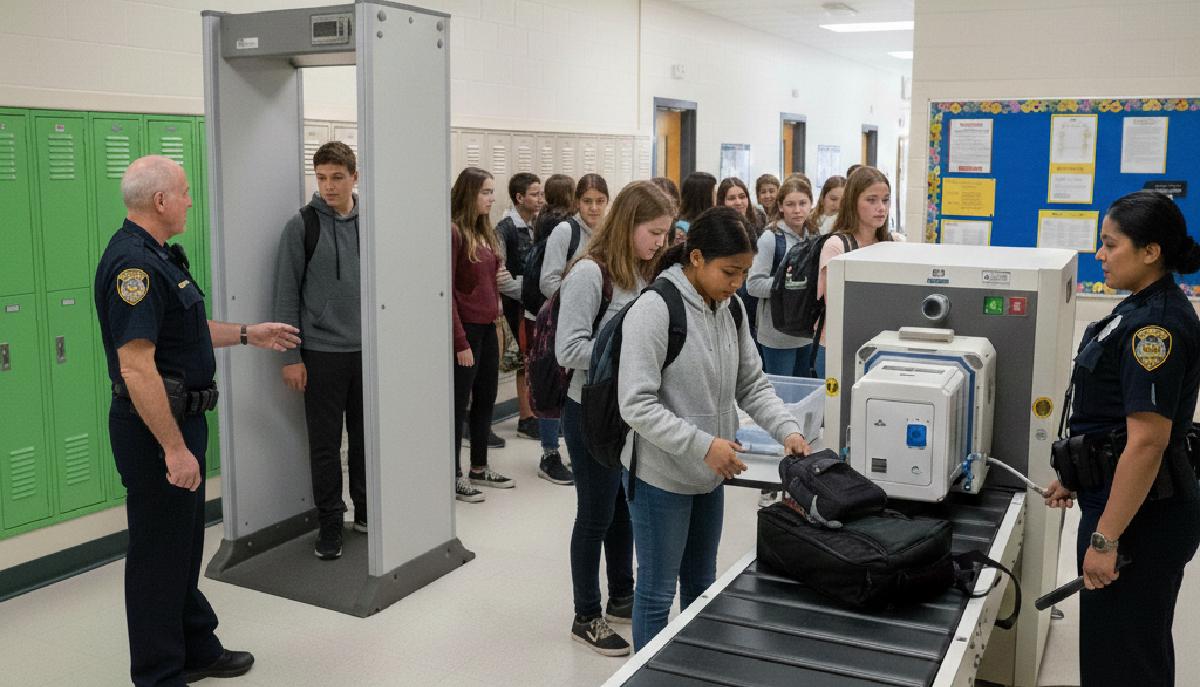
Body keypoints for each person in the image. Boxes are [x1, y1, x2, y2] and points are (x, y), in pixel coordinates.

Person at [96, 155, 300, 686]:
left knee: (181, 551)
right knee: (157, 556)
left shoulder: (161, 257)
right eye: (184, 192)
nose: (190, 199)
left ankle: (193, 648)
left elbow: (184, 329)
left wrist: (249, 333)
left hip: (181, 420)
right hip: (155, 429)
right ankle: (159, 674)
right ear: (160, 201)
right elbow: (137, 366)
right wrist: (172, 449)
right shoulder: (133, 267)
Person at [618, 206, 810, 650]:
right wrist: (703, 445)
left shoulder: (730, 309)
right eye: (730, 271)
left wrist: (787, 430)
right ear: (697, 258)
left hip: (710, 475)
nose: (737, 283)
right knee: (657, 591)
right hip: (661, 476)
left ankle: (691, 670)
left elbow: (751, 383)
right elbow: (636, 404)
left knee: (703, 586)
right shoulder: (655, 309)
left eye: (744, 272)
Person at [1043, 191, 1200, 687]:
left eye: (1110, 245)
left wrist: (1105, 539)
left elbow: (1147, 443)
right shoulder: (1134, 309)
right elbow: (1106, 418)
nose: (1100, 254)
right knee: (1120, 646)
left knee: (1126, 658)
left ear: (1150, 251)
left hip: (1142, 516)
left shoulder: (1156, 327)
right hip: (1119, 497)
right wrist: (1076, 475)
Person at [556, 181, 673, 657]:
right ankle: (586, 615)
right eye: (654, 232)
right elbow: (569, 349)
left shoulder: (643, 272)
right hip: (589, 409)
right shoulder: (589, 274)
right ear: (629, 225)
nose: (661, 243)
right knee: (595, 514)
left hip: (625, 410)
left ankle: (621, 593)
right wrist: (627, 353)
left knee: (624, 506)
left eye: (666, 233)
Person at [273, 141, 367, 560]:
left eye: (337, 178)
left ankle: (367, 511)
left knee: (367, 439)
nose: (328, 187)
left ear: (354, 177)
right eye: (322, 178)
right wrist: (291, 358)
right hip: (323, 352)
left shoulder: (373, 222)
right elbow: (285, 295)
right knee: (327, 444)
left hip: (369, 353)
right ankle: (330, 522)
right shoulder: (302, 226)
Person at [451, 167, 513, 503]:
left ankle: (479, 466)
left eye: (492, 192)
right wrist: (460, 341)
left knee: (485, 398)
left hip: (489, 327)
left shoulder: (484, 233)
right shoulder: (453, 232)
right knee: (459, 404)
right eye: (486, 192)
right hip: (466, 331)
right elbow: (445, 293)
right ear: (469, 193)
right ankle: (454, 475)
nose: (491, 198)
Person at [814, 166, 894, 376]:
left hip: (880, 347)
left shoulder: (893, 243)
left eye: (885, 200)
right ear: (853, 202)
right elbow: (837, 305)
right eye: (871, 200)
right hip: (838, 347)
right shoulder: (837, 246)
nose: (881, 208)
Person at [526, 173, 576, 484]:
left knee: (557, 387)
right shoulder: (564, 228)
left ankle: (556, 448)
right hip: (554, 317)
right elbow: (550, 280)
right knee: (551, 386)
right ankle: (549, 453)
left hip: (542, 314)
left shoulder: (541, 220)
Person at [745, 177, 818, 376]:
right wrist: (790, 285)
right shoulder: (771, 238)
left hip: (807, 332)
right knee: (781, 395)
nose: (797, 210)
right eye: (790, 204)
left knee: (804, 395)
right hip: (777, 333)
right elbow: (753, 284)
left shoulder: (814, 236)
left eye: (802, 203)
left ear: (811, 204)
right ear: (780, 206)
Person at [495, 172, 544, 441]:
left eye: (541, 193)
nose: (540, 199)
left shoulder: (537, 224)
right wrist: (529, 291)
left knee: (535, 359)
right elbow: (500, 278)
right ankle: (525, 418)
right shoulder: (505, 229)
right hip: (516, 305)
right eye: (535, 194)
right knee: (523, 361)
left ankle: (535, 413)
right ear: (519, 197)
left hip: (533, 304)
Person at [675, 172, 716, 240]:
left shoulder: (710, 221)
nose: (716, 194)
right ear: (703, 196)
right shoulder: (682, 228)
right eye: (713, 191)